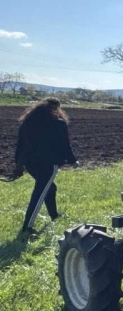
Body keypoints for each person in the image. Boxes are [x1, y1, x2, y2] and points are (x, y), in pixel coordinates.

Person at [14, 97, 78, 234]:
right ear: (56, 108)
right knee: (39, 194)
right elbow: (65, 146)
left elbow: (20, 145)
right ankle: (27, 228)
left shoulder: (27, 122)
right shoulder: (59, 124)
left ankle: (54, 215)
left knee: (51, 188)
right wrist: (73, 161)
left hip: (30, 163)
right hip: (48, 165)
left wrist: (18, 164)